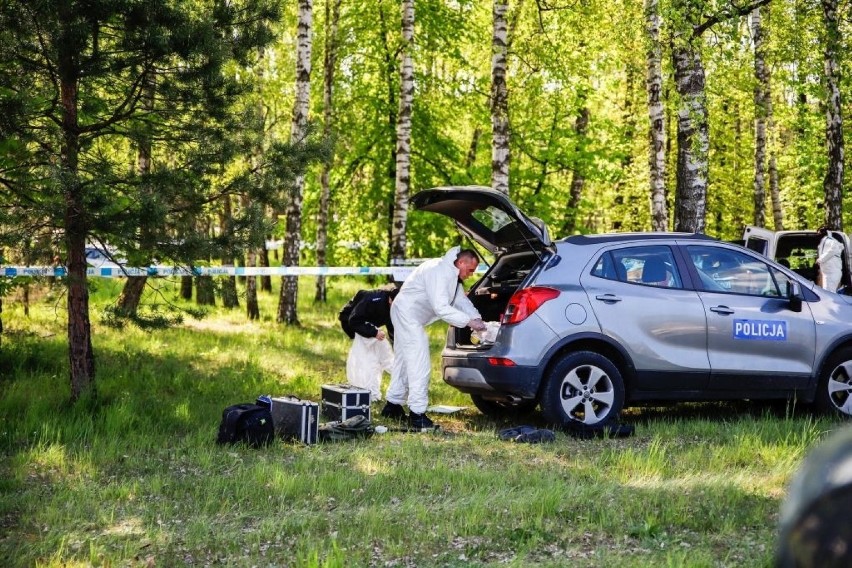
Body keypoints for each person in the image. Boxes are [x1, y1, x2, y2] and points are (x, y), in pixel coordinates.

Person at [381, 247, 487, 430]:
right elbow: (441, 307)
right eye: (470, 270)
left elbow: (461, 301)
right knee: (419, 363)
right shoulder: (438, 270)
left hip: (405, 313)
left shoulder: (453, 278)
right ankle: (417, 415)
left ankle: (392, 405)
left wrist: (477, 318)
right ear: (461, 263)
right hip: (408, 315)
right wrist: (469, 322)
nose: (471, 275)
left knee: (404, 361)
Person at [339, 286, 399, 401]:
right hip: (351, 321)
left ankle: (374, 391)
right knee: (368, 360)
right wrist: (374, 332)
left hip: (367, 323)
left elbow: (392, 328)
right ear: (390, 300)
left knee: (379, 355)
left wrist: (398, 347)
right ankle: (366, 391)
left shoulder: (393, 306)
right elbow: (354, 320)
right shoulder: (373, 300)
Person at [816, 225, 843, 292]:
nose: (818, 234)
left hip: (831, 273)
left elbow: (833, 250)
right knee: (829, 292)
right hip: (829, 273)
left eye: (819, 232)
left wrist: (820, 260)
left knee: (830, 294)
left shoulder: (830, 241)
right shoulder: (826, 241)